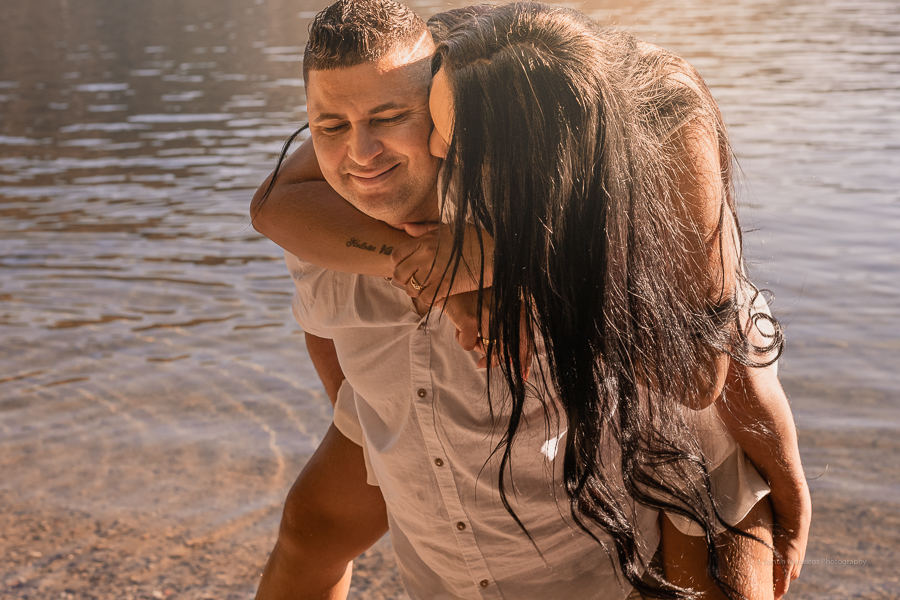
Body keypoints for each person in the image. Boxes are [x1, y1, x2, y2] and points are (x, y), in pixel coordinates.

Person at [249, 2, 811, 599]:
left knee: (712, 562)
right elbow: (277, 208)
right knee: (311, 526)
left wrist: (517, 263)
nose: (437, 153)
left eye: (441, 134)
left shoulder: (667, 127)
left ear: (534, 157)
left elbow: (708, 365)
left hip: (676, 370)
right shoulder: (450, 74)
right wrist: (429, 279)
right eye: (332, 126)